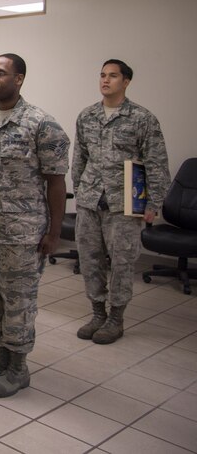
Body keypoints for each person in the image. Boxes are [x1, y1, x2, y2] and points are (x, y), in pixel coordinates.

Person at [0, 53, 69, 398]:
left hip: (22, 233)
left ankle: (18, 367)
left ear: (19, 79)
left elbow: (56, 182)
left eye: (1, 73)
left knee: (18, 301)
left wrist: (54, 232)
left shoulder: (41, 124)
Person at [72, 59, 170, 344]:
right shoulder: (87, 116)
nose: (105, 80)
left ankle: (116, 317)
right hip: (91, 201)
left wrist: (153, 204)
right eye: (102, 75)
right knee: (90, 261)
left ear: (125, 81)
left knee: (122, 263)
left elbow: (156, 162)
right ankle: (97, 313)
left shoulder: (142, 118)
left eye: (113, 76)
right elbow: (80, 158)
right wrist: (79, 191)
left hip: (125, 203)